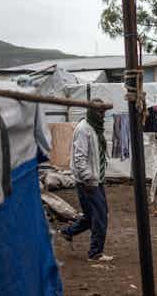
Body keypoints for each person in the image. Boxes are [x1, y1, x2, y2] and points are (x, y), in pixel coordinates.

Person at [60, 100, 113, 261]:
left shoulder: (94, 128)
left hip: (95, 179)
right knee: (100, 215)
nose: (102, 116)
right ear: (92, 112)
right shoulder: (85, 130)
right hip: (88, 181)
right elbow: (79, 157)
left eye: (103, 112)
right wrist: (88, 178)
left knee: (91, 216)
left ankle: (68, 232)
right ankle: (95, 253)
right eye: (99, 113)